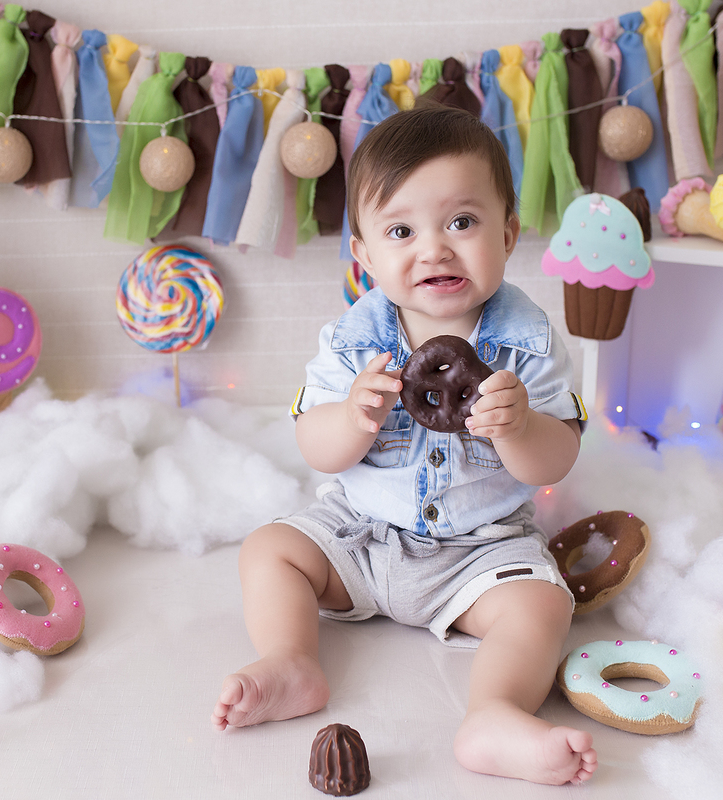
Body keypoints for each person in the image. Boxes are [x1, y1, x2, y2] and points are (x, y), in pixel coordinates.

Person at [211, 105, 596, 786]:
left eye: (462, 222)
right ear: (364, 255)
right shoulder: (353, 341)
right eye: (400, 230)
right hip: (358, 537)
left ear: (507, 234)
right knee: (269, 549)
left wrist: (521, 425)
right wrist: (352, 419)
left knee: (544, 605)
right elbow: (315, 447)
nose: (434, 248)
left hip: (480, 549)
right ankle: (292, 660)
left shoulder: (528, 342)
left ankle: (494, 715)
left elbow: (555, 460)